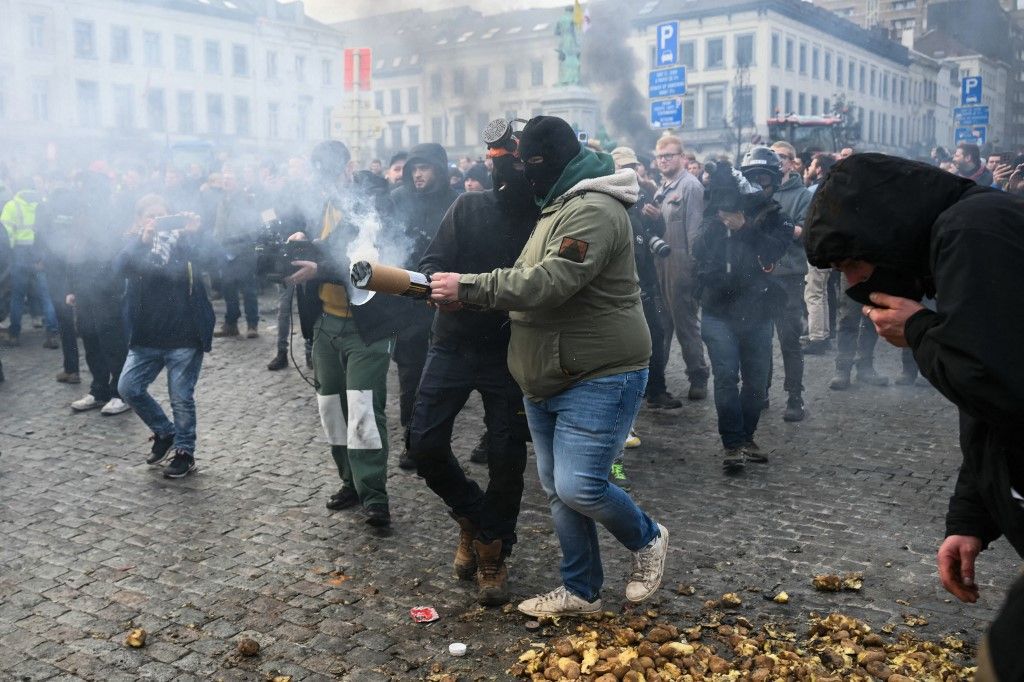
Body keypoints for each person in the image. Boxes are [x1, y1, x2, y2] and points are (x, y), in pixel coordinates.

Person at [429, 115, 668, 618]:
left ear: (554, 162)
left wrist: (469, 288)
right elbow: (521, 272)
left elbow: (548, 282)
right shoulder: (555, 205)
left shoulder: (594, 209)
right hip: (546, 372)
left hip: (597, 371)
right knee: (558, 491)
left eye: (531, 165)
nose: (523, 175)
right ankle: (581, 590)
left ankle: (648, 537)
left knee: (580, 485)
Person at [804, 152, 1024, 682]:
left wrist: (921, 331)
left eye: (851, 263)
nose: (855, 282)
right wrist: (971, 518)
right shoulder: (963, 230)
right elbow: (992, 411)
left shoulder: (974, 230)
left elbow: (993, 381)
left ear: (882, 231)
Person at [408, 121, 538, 606]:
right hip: (453, 344)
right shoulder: (467, 206)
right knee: (423, 443)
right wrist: (437, 288)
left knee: (507, 454)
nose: (506, 170)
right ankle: (476, 520)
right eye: (501, 160)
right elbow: (429, 262)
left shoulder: (546, 218)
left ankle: (493, 553)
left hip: (509, 349)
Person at [287, 140, 400, 528]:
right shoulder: (317, 205)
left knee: (364, 410)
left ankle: (374, 494)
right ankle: (349, 481)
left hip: (366, 328)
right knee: (331, 408)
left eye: (328, 173)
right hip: (325, 323)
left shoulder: (375, 202)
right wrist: (295, 246)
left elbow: (365, 264)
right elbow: (315, 248)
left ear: (347, 169)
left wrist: (317, 265)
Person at [695, 161, 790, 471]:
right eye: (755, 181)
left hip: (758, 311)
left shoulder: (773, 214)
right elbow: (698, 249)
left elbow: (775, 250)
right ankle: (733, 444)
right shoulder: (717, 209)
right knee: (725, 375)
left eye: (766, 182)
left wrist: (745, 229)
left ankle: (747, 438)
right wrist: (717, 225)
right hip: (718, 310)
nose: (760, 187)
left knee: (757, 383)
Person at [116, 196, 215, 479]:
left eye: (163, 217)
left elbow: (215, 260)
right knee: (128, 388)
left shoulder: (186, 244)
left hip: (184, 335)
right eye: (152, 217)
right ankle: (165, 432)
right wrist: (144, 239)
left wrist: (198, 232)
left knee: (181, 398)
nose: (158, 223)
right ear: (140, 220)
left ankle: (184, 452)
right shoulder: (135, 245)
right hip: (146, 337)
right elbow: (117, 269)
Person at [387, 143, 460, 470]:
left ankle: (437, 440)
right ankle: (412, 441)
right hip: (408, 304)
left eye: (425, 168)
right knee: (411, 377)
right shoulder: (398, 200)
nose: (418, 174)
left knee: (446, 380)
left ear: (439, 170)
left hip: (447, 301)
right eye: (414, 168)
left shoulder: (457, 203)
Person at [65, 170, 130, 416]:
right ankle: (99, 388)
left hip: (105, 291)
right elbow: (73, 253)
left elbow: (117, 256)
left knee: (112, 342)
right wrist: (72, 287)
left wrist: (109, 285)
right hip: (84, 291)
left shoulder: (113, 218)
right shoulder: (80, 217)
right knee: (91, 340)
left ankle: (120, 393)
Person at [756, 143, 813, 421]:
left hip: (788, 275)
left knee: (789, 338)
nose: (776, 163)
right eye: (772, 158)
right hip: (761, 274)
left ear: (792, 163)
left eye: (781, 158)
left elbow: (805, 231)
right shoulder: (760, 189)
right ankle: (761, 391)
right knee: (761, 337)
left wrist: (780, 225)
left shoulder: (802, 195)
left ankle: (795, 396)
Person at [651, 135, 709, 400]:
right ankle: (656, 380)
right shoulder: (662, 187)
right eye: (660, 156)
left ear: (682, 158)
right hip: (660, 265)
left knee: (685, 324)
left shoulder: (690, 186)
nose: (663, 160)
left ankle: (698, 376)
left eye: (669, 155)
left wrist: (693, 271)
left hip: (681, 265)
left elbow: (696, 234)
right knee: (661, 326)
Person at [1, 184, 59, 348]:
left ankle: (14, 334)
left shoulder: (12, 205)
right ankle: (52, 333)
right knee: (45, 295)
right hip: (38, 255)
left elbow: (6, 234)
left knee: (17, 296)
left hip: (19, 255)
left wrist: (10, 254)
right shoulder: (42, 205)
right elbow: (48, 233)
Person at [212, 166, 261, 338]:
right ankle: (231, 323)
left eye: (230, 179)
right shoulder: (222, 200)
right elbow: (219, 225)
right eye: (224, 179)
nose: (226, 182)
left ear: (238, 182)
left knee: (248, 289)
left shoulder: (247, 199)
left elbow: (258, 222)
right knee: (228, 288)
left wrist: (248, 239)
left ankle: (252, 324)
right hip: (225, 250)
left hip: (244, 248)